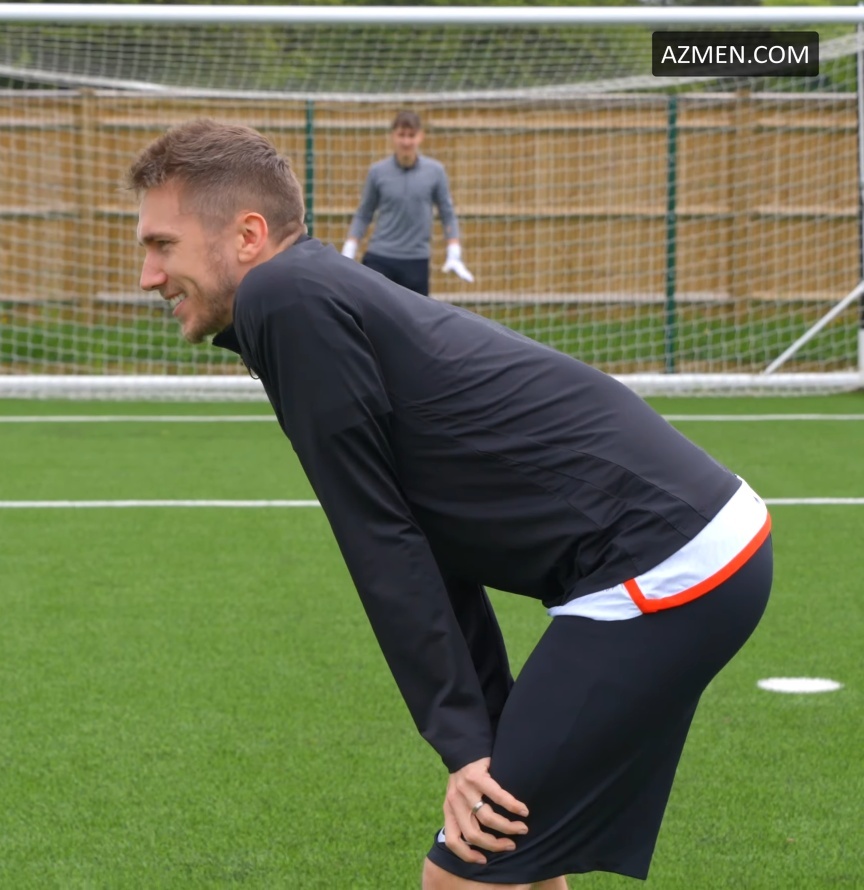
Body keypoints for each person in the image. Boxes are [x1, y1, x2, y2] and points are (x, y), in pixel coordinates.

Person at [128, 119, 773, 890]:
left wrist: (466, 745)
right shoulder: (306, 291)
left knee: (462, 871)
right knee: (516, 855)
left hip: (665, 563)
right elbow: (427, 537)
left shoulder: (283, 297)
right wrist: (482, 734)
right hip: (691, 547)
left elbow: (381, 540)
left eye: (162, 245)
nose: (148, 275)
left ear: (248, 236)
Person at [341, 109, 473, 296]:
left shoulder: (435, 172)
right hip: (380, 258)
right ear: (393, 136)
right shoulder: (377, 172)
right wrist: (349, 250)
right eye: (401, 135)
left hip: (416, 261)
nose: (406, 141)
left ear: (420, 136)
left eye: (411, 135)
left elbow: (447, 214)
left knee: (415, 315)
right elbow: (364, 214)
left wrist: (454, 251)